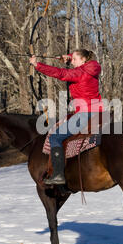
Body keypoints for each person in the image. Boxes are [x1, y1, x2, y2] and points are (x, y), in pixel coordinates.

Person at [29, 49, 104, 185]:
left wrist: (37, 65)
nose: (73, 62)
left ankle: (58, 174)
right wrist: (68, 57)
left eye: (75, 60)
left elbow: (61, 73)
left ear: (83, 60)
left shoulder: (80, 72)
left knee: (55, 136)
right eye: (72, 59)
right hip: (97, 111)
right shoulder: (92, 66)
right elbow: (75, 61)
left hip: (85, 113)